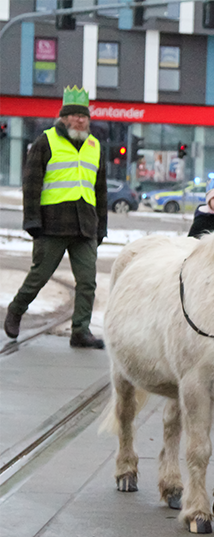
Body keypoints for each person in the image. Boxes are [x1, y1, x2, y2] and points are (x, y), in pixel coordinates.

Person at [4, 86, 107, 349]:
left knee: (87, 282)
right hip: (52, 225)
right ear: (63, 117)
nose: (80, 120)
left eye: (84, 116)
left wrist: (101, 228)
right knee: (39, 276)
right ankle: (16, 309)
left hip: (85, 226)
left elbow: (101, 191)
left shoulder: (95, 146)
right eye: (74, 115)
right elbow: (31, 184)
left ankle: (80, 331)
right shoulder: (45, 141)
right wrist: (31, 221)